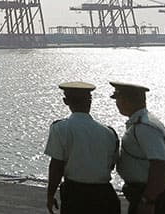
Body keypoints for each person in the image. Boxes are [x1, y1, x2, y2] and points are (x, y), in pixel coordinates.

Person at [44, 82, 120, 214]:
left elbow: (57, 165)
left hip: (76, 194)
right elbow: (112, 165)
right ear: (90, 102)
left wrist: (50, 195)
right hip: (105, 195)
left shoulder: (60, 128)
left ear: (66, 101)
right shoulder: (109, 133)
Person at [110, 81, 165, 214]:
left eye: (118, 98)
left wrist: (148, 200)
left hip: (155, 198)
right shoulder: (145, 123)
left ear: (125, 100)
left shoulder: (144, 127)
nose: (117, 103)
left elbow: (160, 165)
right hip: (150, 195)